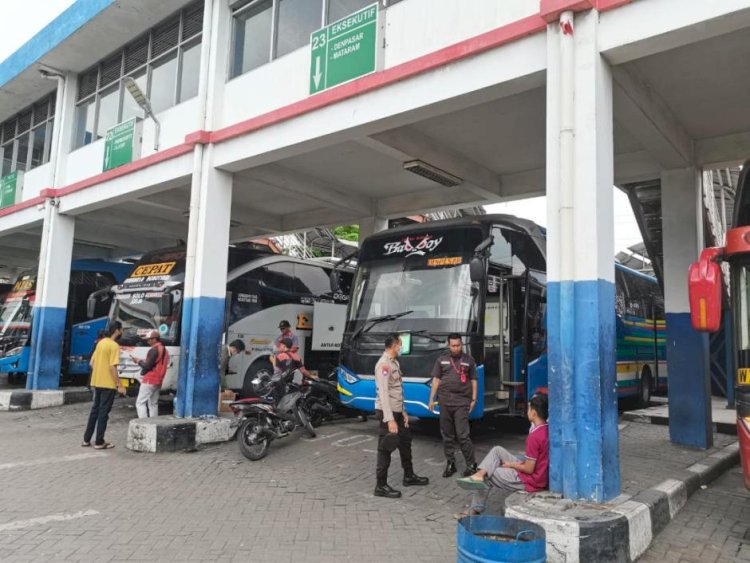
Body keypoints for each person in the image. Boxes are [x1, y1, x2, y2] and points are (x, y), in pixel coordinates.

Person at [455, 393, 549, 517]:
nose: (527, 411)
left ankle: (474, 510)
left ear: (534, 413)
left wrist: (511, 465)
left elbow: (529, 468)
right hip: (538, 474)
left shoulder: (535, 437)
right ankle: (479, 474)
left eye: (529, 408)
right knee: (497, 450)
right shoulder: (545, 428)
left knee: (491, 473)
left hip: (530, 481)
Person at [373, 333, 429, 499]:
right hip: (386, 412)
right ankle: (380, 485)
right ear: (394, 345)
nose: (401, 348)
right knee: (386, 448)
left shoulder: (394, 362)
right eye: (400, 345)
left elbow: (397, 390)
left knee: (405, 442)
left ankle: (409, 476)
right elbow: (384, 394)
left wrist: (403, 411)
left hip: (397, 411)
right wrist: (389, 419)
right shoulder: (383, 365)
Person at [428, 333, 478, 478]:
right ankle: (451, 463)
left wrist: (473, 399)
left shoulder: (469, 360)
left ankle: (471, 464)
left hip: (462, 403)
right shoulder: (441, 360)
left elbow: (474, 380)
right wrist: (431, 398)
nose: (456, 348)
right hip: (445, 402)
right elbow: (436, 380)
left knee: (463, 435)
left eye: (458, 345)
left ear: (461, 344)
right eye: (453, 345)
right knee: (447, 435)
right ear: (448, 345)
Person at [82, 321, 124, 449]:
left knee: (95, 411)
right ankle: (99, 442)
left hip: (97, 382)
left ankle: (86, 440)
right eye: (122, 329)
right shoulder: (114, 346)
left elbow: (91, 363)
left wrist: (100, 371)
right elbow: (112, 367)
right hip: (108, 384)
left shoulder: (101, 343)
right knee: (103, 413)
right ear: (117, 330)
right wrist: (119, 385)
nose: (122, 332)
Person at [132, 330, 168, 418]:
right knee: (153, 403)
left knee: (140, 403)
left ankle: (144, 424)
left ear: (155, 339)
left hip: (150, 379)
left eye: (149, 339)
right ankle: (153, 423)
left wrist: (138, 361)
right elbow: (155, 363)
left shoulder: (154, 350)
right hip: (159, 380)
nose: (148, 341)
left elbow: (147, 366)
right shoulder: (164, 349)